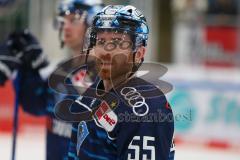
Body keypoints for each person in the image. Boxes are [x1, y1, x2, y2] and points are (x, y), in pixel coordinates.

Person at [66, 5, 175, 160]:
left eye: (117, 42)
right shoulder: (90, 97)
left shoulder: (145, 110)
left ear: (139, 53)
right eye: (101, 41)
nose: (105, 50)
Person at [5, 0, 103, 159]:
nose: (66, 26)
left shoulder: (106, 75)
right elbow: (35, 105)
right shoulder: (61, 71)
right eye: (64, 21)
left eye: (73, 20)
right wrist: (29, 68)